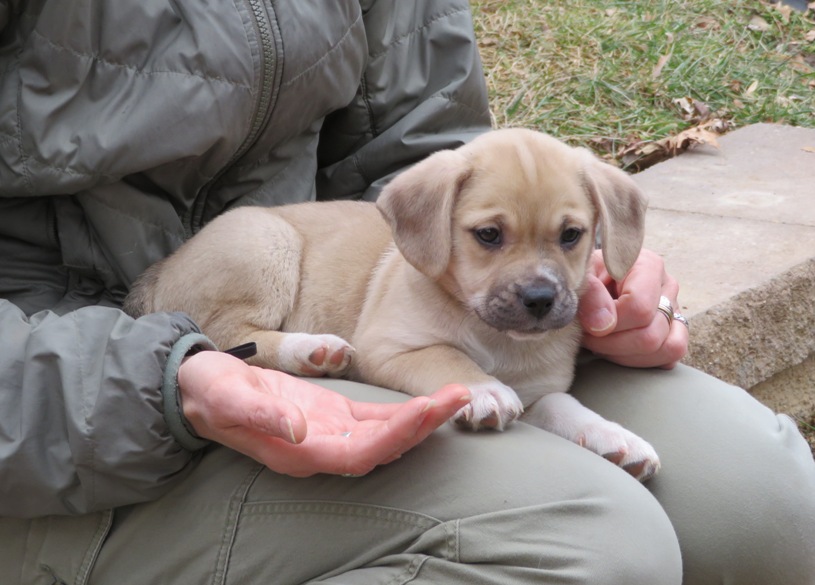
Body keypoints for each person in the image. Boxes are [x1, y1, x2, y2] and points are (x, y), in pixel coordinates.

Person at [1, 1, 813, 584]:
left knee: (760, 496)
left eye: (568, 237)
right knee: (592, 544)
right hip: (64, 413)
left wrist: (595, 271)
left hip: (333, 354)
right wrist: (153, 377)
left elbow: (422, 160)